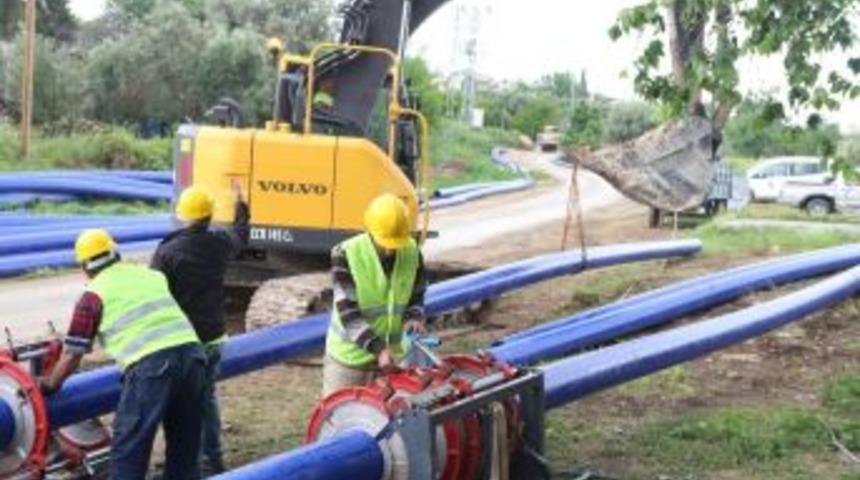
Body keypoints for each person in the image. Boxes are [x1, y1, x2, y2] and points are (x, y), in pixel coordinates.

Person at [39, 229, 206, 480]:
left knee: (130, 449)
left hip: (152, 368)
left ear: (84, 267)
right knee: (185, 445)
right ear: (115, 253)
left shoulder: (92, 295)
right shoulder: (152, 276)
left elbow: (73, 354)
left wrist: (49, 385)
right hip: (194, 358)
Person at [150, 185, 249, 475]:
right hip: (214, 337)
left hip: (181, 340)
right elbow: (241, 234)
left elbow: (155, 293)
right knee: (206, 398)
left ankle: (191, 464)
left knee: (182, 404)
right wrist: (242, 205)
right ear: (209, 215)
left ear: (182, 216)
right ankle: (211, 458)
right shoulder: (219, 243)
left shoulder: (167, 252)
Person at [322, 193, 428, 396]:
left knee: (390, 420)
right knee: (341, 419)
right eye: (384, 242)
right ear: (369, 230)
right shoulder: (345, 254)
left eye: (395, 243)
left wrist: (413, 317)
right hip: (349, 361)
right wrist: (378, 348)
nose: (390, 250)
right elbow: (349, 313)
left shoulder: (412, 252)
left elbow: (416, 294)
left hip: (392, 358)